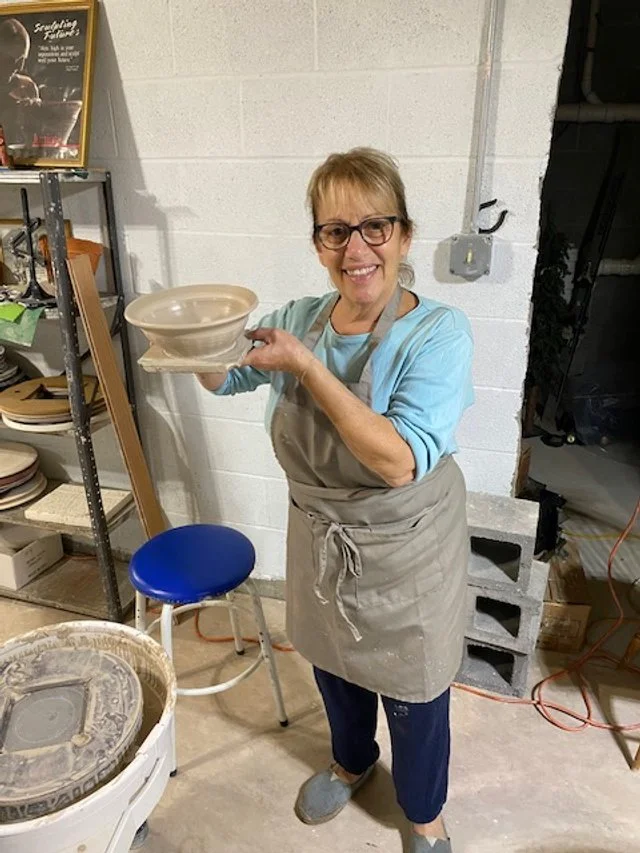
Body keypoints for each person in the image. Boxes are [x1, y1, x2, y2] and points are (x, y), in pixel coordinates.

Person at [198, 147, 473, 853]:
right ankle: (352, 760)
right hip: (322, 537)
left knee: (413, 696)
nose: (356, 249)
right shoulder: (302, 317)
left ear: (404, 236)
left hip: (404, 542)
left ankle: (424, 812)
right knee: (334, 670)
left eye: (374, 226)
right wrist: (191, 338)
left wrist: (306, 367)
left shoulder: (437, 333)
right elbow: (222, 378)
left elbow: (396, 461)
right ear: (318, 242)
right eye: (335, 231)